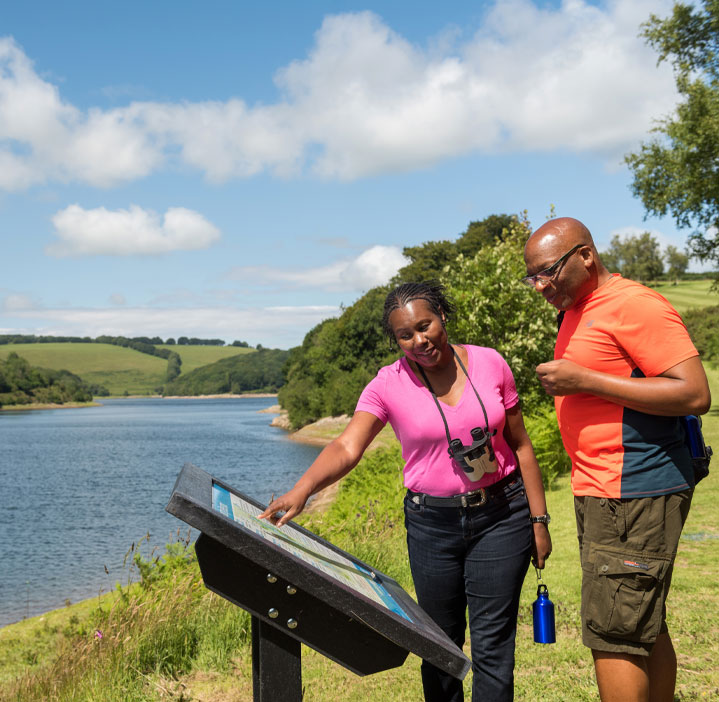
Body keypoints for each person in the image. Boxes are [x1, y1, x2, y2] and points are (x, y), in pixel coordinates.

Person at [261, 281, 552, 702]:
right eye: (405, 334)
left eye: (425, 325)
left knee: (493, 645)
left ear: (442, 317)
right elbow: (347, 445)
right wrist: (302, 489)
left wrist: (538, 521)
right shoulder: (387, 384)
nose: (419, 340)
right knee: (438, 643)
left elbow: (521, 445)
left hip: (502, 515)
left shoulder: (490, 364)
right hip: (432, 525)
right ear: (395, 339)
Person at [523, 217, 711, 702]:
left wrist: (585, 380)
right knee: (642, 621)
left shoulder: (633, 304)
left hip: (633, 489)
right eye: (533, 277)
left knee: (615, 633)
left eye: (549, 271)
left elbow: (693, 392)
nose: (541, 285)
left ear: (586, 256)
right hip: (605, 489)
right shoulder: (578, 308)